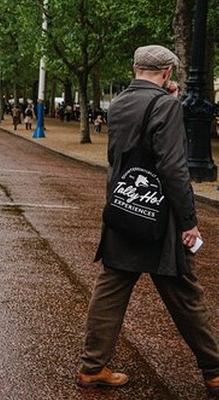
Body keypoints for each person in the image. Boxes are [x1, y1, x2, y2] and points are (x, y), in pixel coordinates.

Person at [76, 44, 219, 396]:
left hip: (124, 210)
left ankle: (92, 367)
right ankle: (215, 371)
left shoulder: (121, 102)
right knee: (184, 293)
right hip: (158, 218)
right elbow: (173, 168)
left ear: (135, 67)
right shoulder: (167, 105)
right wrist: (188, 221)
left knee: (110, 290)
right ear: (168, 73)